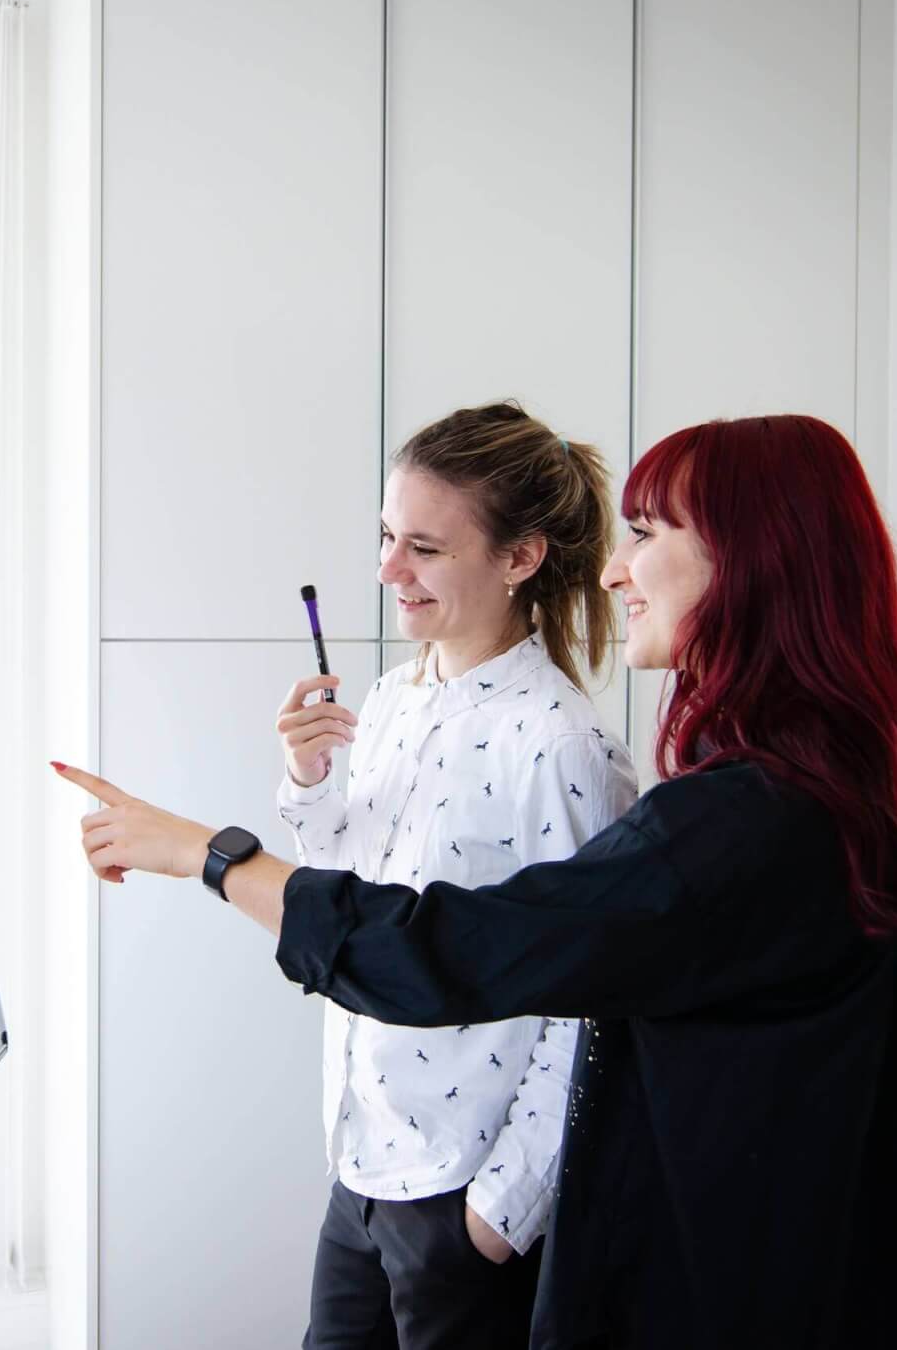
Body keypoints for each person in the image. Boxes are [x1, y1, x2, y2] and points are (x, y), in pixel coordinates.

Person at [56, 414, 897, 1350]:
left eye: (646, 533)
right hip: (840, 1272)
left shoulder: (729, 817)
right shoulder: (869, 781)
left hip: (667, 1265)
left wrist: (204, 852)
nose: (616, 568)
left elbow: (444, 952)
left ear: (753, 565)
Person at [277, 402, 635, 1349]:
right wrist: (310, 784)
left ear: (519, 559)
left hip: (460, 1202)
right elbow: (353, 913)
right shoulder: (396, 696)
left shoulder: (564, 746)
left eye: (424, 549)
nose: (388, 570)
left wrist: (501, 1208)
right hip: (359, 1163)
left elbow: (597, 1002)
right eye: (389, 537)